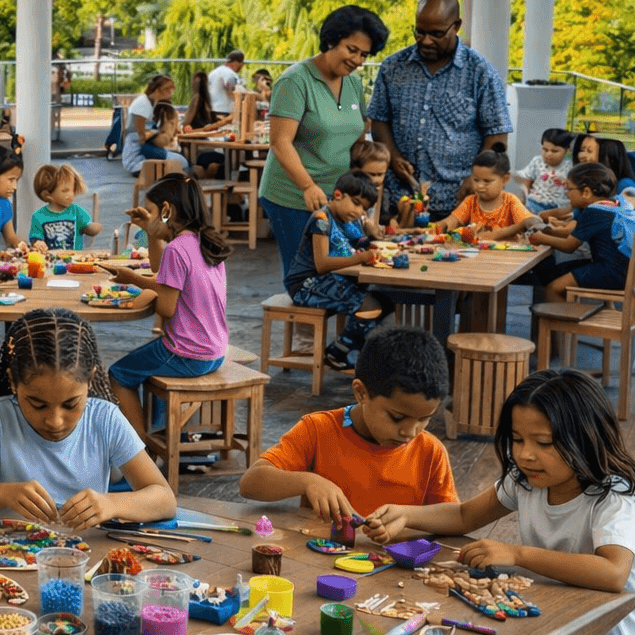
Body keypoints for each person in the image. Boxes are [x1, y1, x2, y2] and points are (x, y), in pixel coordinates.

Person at [368, 369, 635, 635]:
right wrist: (407, 513)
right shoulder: (527, 482)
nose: (526, 455)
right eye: (518, 440)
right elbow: (465, 514)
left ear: (587, 437)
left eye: (544, 443)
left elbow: (613, 572)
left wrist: (517, 553)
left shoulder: (612, 499)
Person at [0, 309, 177, 529]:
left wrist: (112, 504)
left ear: (90, 380)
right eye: (38, 404)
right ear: (13, 382)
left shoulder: (105, 419)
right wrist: (4, 494)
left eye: (70, 404)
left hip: (81, 556)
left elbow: (164, 499)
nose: (55, 421)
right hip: (8, 552)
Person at [238, 325, 455, 522]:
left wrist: (407, 518)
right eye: (397, 417)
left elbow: (453, 518)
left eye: (424, 419)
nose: (409, 432)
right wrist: (308, 481)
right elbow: (251, 483)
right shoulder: (318, 430)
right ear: (361, 392)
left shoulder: (430, 452)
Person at [260, 5, 390, 274]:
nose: (357, 60)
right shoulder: (295, 81)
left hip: (339, 197)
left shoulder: (353, 84)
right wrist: (308, 186)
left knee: (345, 271)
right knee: (305, 274)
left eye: (364, 55)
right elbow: (280, 143)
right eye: (351, 50)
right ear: (331, 40)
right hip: (293, 197)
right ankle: (303, 316)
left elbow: (357, 140)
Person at [104, 173, 229, 445]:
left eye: (151, 212)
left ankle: (140, 448)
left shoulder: (176, 249)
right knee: (150, 365)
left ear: (166, 211)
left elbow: (166, 308)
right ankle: (160, 435)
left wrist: (134, 280)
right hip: (215, 348)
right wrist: (151, 233)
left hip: (189, 352)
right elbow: (162, 272)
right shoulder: (203, 242)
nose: (148, 218)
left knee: (118, 374)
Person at [367, 0, 513, 221]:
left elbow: (496, 136)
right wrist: (393, 157)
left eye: (436, 33)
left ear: (456, 26)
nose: (425, 41)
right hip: (399, 202)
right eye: (420, 32)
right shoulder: (393, 67)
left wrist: (474, 179)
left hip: (456, 202)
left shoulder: (480, 72)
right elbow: (379, 120)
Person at [285, 170, 395, 372]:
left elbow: (361, 244)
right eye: (356, 203)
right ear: (338, 195)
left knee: (387, 301)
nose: (360, 211)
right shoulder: (321, 219)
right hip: (307, 285)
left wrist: (374, 243)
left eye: (365, 208)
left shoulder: (350, 221)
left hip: (332, 281)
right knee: (369, 305)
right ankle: (340, 352)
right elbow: (322, 264)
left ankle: (346, 348)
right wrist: (360, 258)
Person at [531, 163, 635, 301]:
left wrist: (541, 238)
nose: (567, 194)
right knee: (557, 271)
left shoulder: (593, 212)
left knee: (554, 287)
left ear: (586, 192)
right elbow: (577, 233)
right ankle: (569, 315)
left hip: (612, 273)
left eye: (569, 189)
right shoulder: (612, 204)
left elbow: (569, 246)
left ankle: (563, 322)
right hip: (627, 270)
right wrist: (551, 232)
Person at [435, 145, 539, 241]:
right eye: (476, 180)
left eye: (487, 181)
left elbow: (528, 221)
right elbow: (451, 221)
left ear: (505, 179)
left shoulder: (510, 201)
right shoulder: (470, 201)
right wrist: (436, 228)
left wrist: (524, 224)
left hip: (506, 258)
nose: (480, 186)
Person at [122, 75, 190, 176]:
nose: (171, 93)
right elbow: (141, 136)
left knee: (180, 161)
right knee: (182, 162)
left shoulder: (150, 102)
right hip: (137, 160)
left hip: (142, 153)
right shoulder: (143, 103)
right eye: (168, 89)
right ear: (158, 90)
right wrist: (156, 133)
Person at [29, 164, 102, 249]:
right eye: (65, 191)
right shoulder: (38, 216)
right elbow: (36, 238)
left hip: (74, 260)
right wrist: (38, 243)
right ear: (47, 195)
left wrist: (92, 228)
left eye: (72, 190)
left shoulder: (76, 211)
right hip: (49, 260)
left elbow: (87, 227)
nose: (70, 195)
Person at [517, 128, 574, 215]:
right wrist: (524, 195)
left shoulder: (570, 167)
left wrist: (564, 182)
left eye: (554, 151)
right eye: (545, 149)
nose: (548, 154)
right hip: (534, 201)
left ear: (567, 150)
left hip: (558, 206)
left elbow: (573, 188)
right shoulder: (537, 161)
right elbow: (527, 179)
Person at [184, 71, 230, 178]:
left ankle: (206, 171)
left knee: (228, 160)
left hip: (204, 151)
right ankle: (206, 171)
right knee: (229, 162)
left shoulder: (204, 102)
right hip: (201, 153)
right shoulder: (198, 100)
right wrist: (208, 129)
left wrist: (219, 122)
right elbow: (186, 128)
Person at [350, 139, 393, 238]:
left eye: (380, 174)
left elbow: (373, 220)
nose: (376, 180)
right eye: (371, 174)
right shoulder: (353, 192)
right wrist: (366, 224)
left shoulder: (377, 190)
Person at [206, 50, 246, 118]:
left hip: (212, 110)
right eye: (241, 65)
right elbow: (231, 91)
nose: (241, 68)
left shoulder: (216, 72)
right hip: (222, 112)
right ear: (235, 62)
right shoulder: (228, 73)